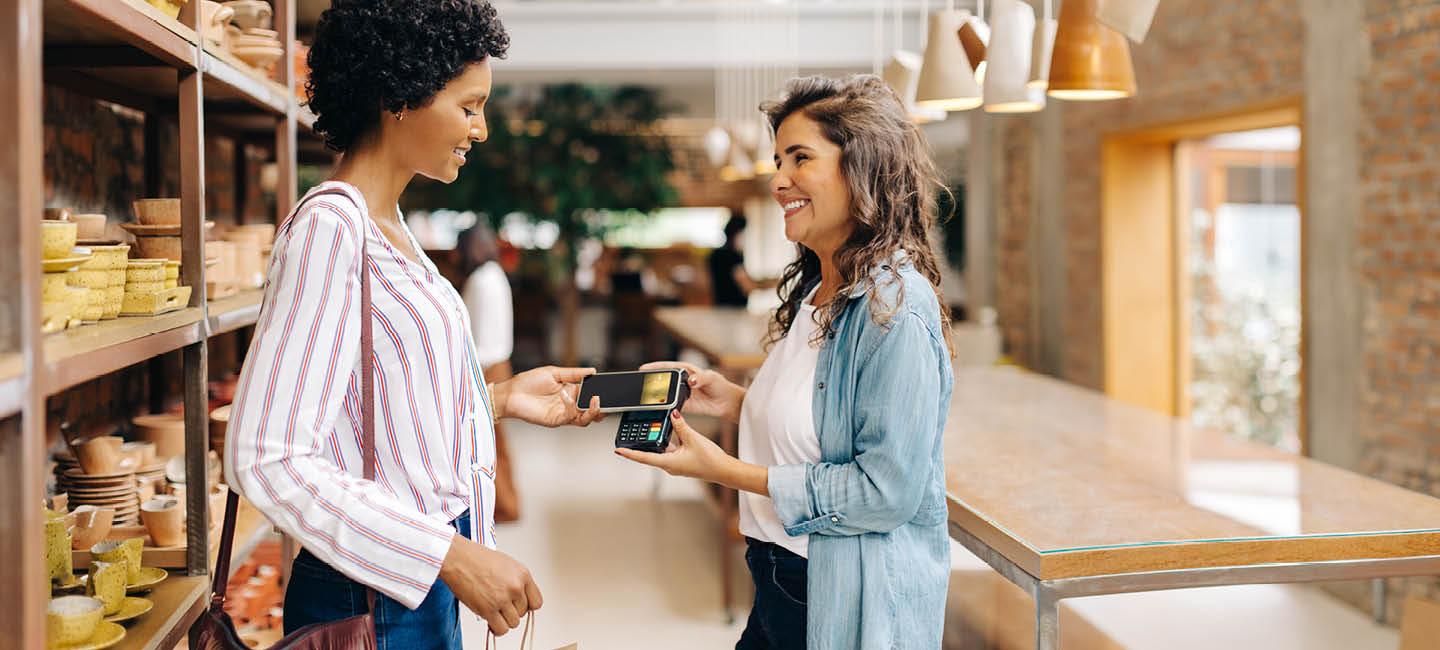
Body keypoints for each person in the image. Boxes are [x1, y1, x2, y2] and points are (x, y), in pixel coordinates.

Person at [223, 3, 603, 648]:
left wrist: (499, 399)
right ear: (400, 96)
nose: (481, 130)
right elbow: (266, 457)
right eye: (469, 105)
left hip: (408, 584)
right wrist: (449, 555)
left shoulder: (389, 229)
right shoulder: (331, 229)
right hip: (373, 593)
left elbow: (370, 410)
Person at [617, 75, 956, 650]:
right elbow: (825, 427)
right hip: (779, 575)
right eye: (778, 160)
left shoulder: (894, 308)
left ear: (863, 168)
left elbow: (884, 493)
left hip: (835, 591)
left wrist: (722, 469)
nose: (778, 181)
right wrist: (738, 400)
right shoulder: (821, 291)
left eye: (801, 158)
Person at [457, 223, 521, 523]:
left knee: (487, 444)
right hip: (500, 362)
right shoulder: (495, 275)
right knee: (496, 443)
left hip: (486, 368)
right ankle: (505, 504)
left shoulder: (480, 281)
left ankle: (502, 506)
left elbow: (476, 335)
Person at [707, 214, 773, 307]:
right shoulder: (731, 255)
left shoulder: (716, 253)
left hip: (719, 305)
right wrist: (774, 284)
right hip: (733, 309)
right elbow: (748, 286)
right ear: (737, 233)